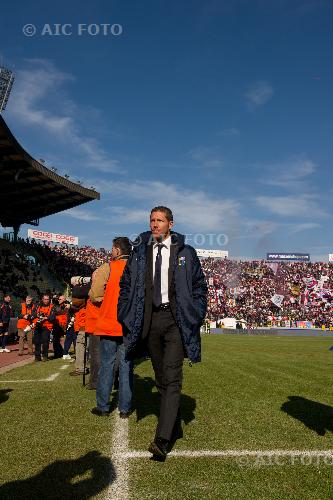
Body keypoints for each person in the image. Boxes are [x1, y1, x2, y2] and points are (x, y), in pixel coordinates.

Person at [118, 206, 207, 459]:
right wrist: (124, 311)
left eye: (160, 220)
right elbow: (126, 285)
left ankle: (162, 439)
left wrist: (196, 312)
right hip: (149, 319)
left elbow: (199, 285)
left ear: (170, 224)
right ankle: (175, 425)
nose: (155, 224)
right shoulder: (139, 253)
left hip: (176, 320)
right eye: (152, 220)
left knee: (172, 377)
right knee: (160, 378)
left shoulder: (186, 253)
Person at [91, 237, 133, 417]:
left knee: (107, 365)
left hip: (109, 322)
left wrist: (106, 300)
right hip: (128, 326)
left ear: (117, 250)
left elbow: (95, 294)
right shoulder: (136, 269)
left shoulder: (107, 267)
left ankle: (103, 406)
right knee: (126, 366)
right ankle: (125, 409)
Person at [33, 294, 55, 362]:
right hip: (38, 325)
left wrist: (46, 317)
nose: (46, 301)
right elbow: (33, 314)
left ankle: (45, 356)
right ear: (42, 299)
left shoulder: (52, 306)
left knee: (45, 341)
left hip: (46, 326)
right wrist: (38, 316)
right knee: (37, 342)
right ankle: (37, 357)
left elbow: (53, 317)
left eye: (47, 299)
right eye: (45, 299)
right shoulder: (37, 306)